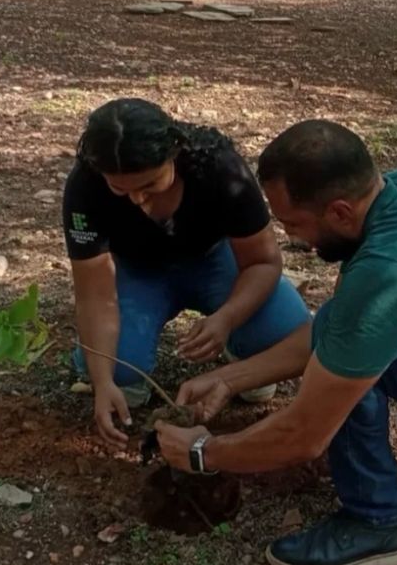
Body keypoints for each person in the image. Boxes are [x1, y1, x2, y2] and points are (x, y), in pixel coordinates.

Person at [159, 120, 397, 565]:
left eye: (293, 223)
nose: (294, 239)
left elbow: (305, 435)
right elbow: (338, 326)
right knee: (346, 332)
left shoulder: (386, 270)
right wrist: (228, 378)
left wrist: (203, 452)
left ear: (338, 212)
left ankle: (378, 522)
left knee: (350, 364)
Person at [64, 99, 311, 449]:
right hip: (137, 272)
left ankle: (242, 355)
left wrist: (226, 318)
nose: (137, 199)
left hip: (215, 261)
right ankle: (96, 364)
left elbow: (263, 262)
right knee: (120, 380)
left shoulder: (218, 167)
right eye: (120, 189)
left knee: (286, 337)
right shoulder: (85, 187)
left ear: (174, 156)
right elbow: (95, 295)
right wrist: (101, 381)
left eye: (150, 185)